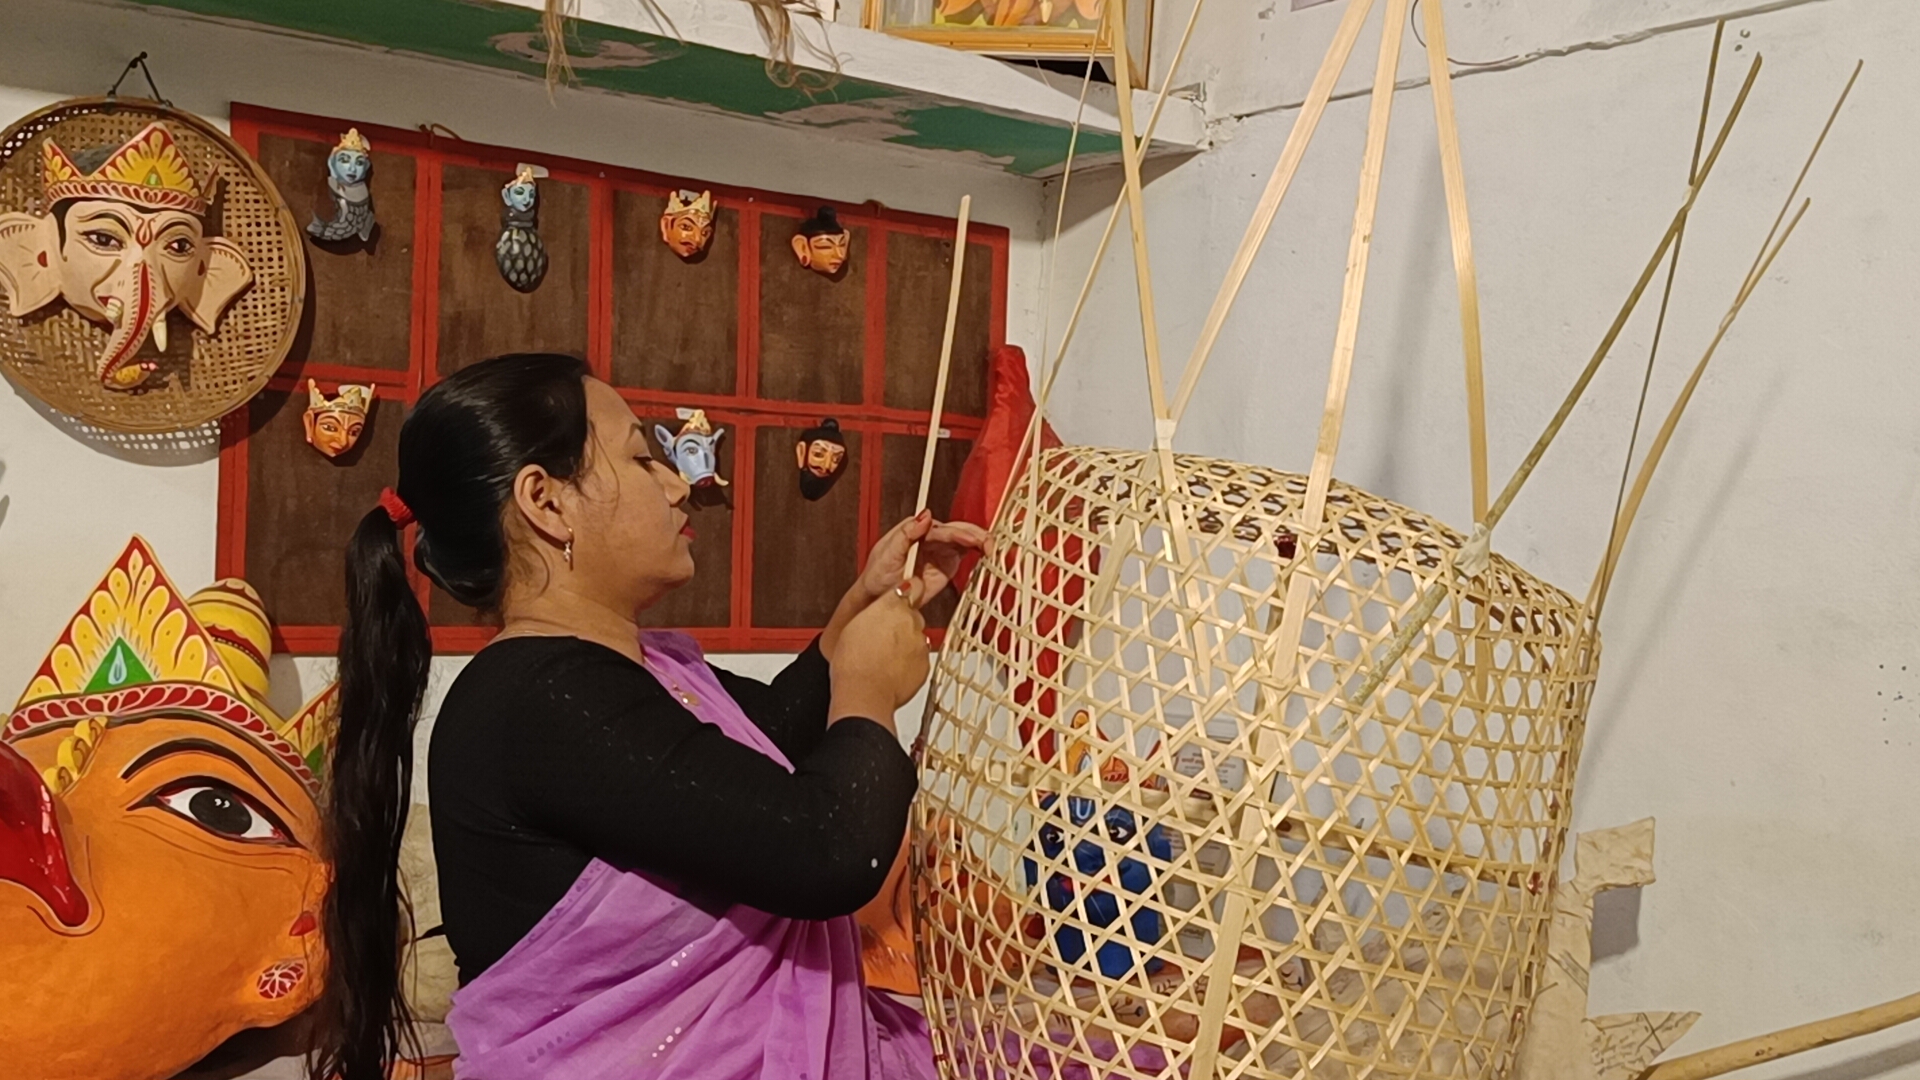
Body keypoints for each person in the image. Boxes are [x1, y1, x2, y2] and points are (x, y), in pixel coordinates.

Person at [313, 353, 985, 1080]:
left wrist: (858, 608)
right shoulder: (536, 699)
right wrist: (869, 691)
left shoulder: (629, 671)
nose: (679, 483)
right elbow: (825, 849)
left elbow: (767, 746)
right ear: (547, 502)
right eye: (643, 458)